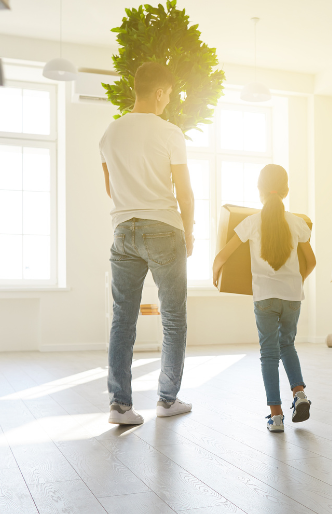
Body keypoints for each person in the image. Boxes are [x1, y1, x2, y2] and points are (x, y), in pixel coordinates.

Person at [99, 62, 195, 425]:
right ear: (159, 92)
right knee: (173, 318)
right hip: (164, 229)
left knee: (122, 319)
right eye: (168, 94)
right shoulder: (170, 132)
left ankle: (119, 406)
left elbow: (110, 188)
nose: (168, 101)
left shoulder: (109, 134)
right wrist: (190, 231)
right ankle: (167, 400)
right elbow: (184, 193)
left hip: (123, 229)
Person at [212, 165, 317, 432]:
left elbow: (223, 255)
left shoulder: (250, 222)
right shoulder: (297, 222)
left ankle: (277, 416)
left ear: (259, 190)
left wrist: (216, 271)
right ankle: (300, 394)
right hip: (292, 297)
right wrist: (298, 280)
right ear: (286, 190)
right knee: (288, 345)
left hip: (265, 298)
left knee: (269, 355)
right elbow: (312, 261)